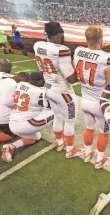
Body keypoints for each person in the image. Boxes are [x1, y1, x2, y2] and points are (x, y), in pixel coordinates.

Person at [33, 21, 82, 158]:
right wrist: (81, 74)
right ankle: (70, 150)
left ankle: (60, 142)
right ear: (59, 34)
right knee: (70, 120)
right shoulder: (62, 50)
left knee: (58, 117)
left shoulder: (38, 45)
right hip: (63, 91)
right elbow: (71, 79)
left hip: (48, 88)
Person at [73, 26, 110, 169]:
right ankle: (100, 160)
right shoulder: (108, 58)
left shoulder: (78, 51)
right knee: (104, 132)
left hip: (84, 99)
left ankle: (87, 153)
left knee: (89, 127)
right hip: (100, 102)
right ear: (100, 39)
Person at [6, 72, 54, 162]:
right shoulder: (39, 93)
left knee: (36, 137)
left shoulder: (21, 84)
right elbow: (51, 104)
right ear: (40, 80)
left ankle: (11, 146)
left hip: (12, 122)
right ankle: (60, 135)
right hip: (25, 124)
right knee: (56, 110)